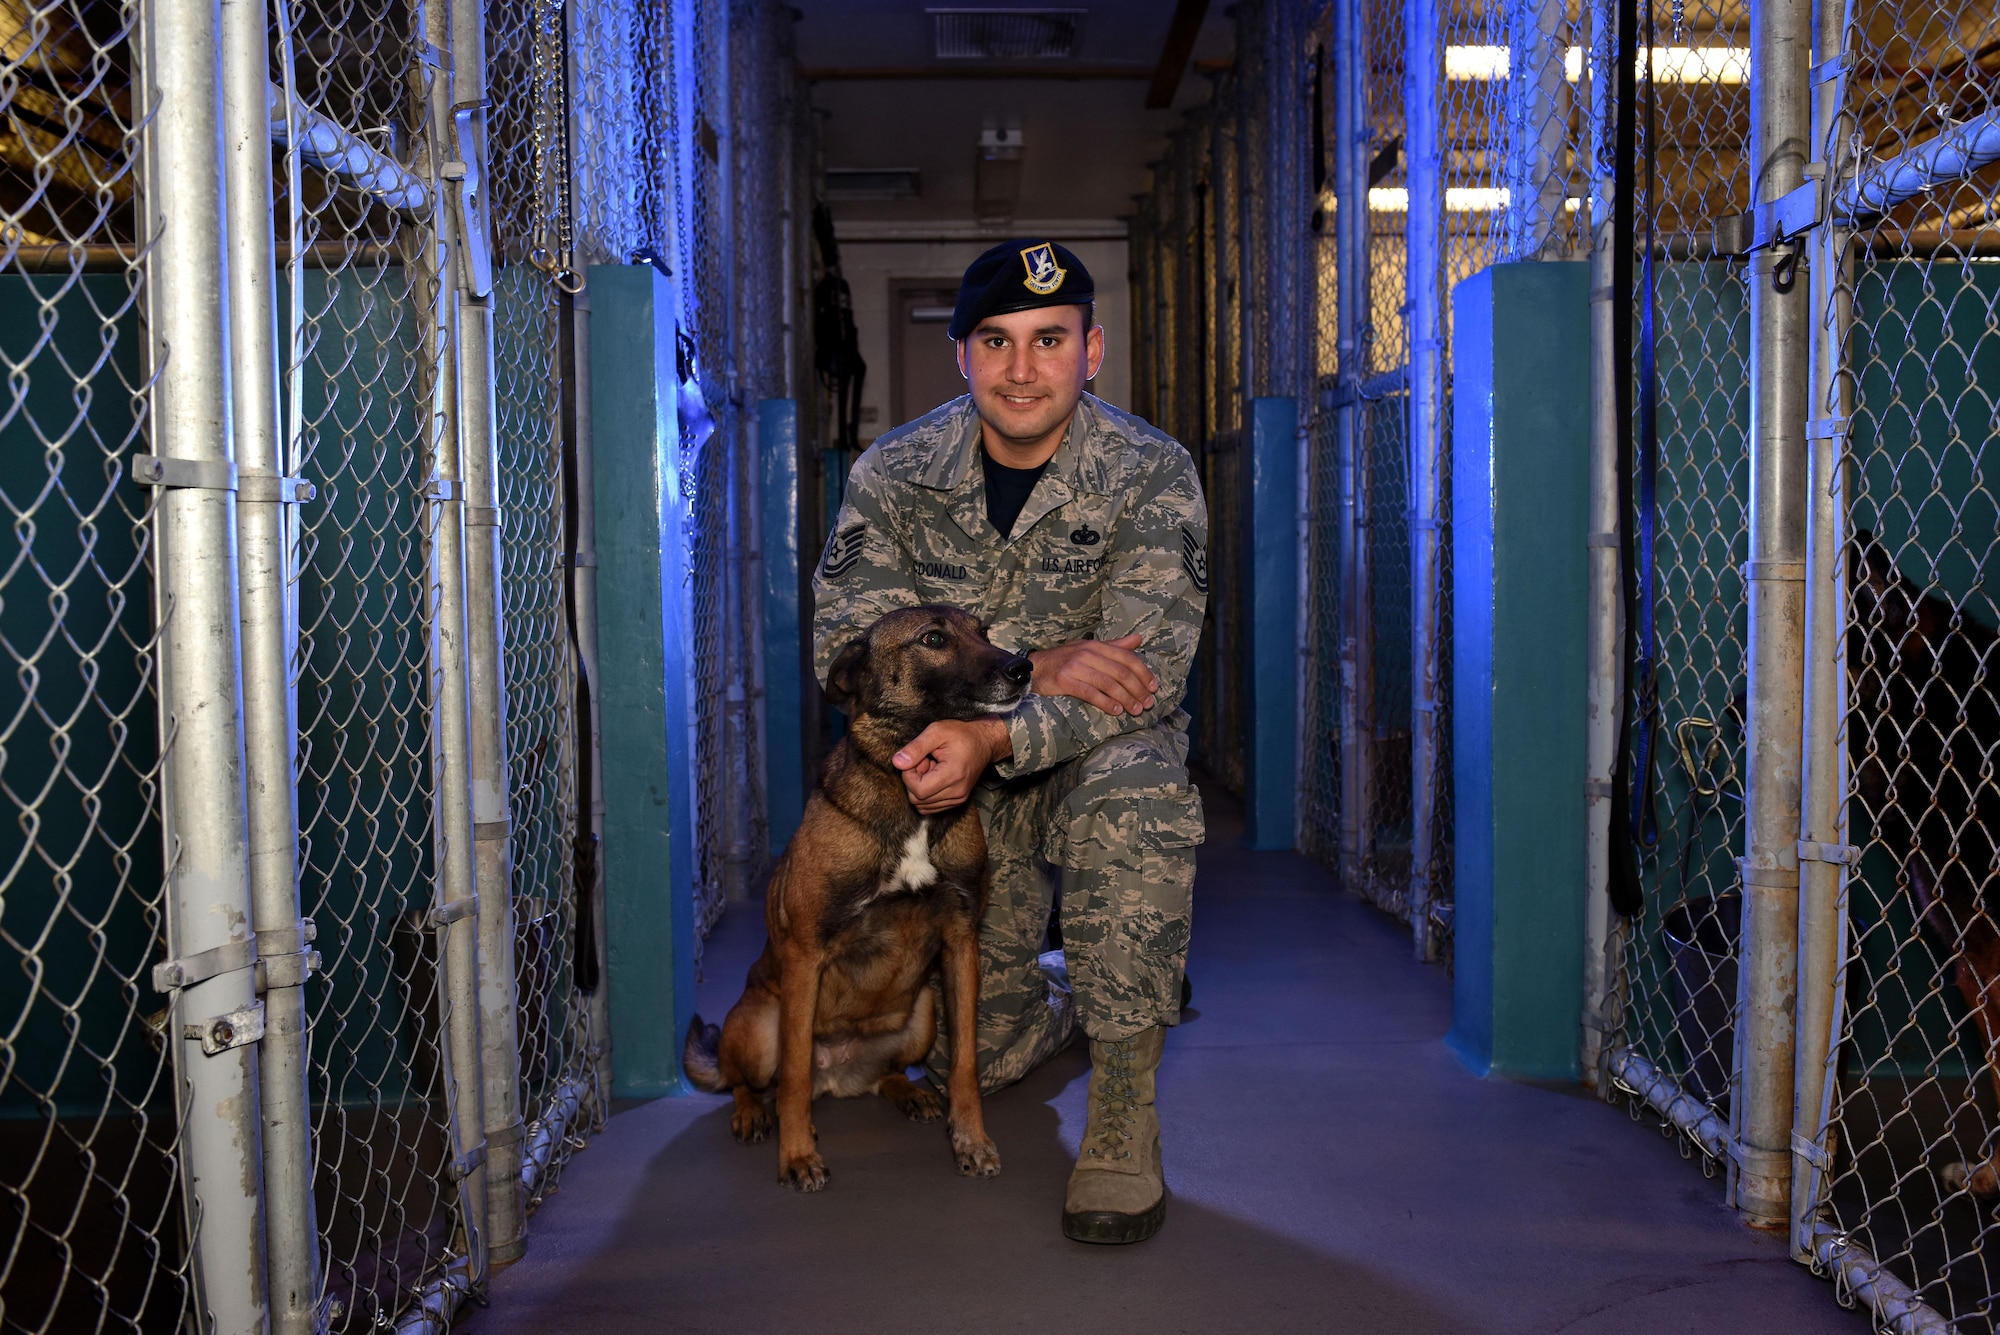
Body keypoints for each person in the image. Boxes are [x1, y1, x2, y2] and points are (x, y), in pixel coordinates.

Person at [810, 239, 1208, 1245]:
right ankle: (1065, 997)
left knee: (1140, 789)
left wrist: (993, 729)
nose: (1021, 369)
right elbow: (843, 660)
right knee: (964, 1058)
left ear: (1091, 350)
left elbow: (1140, 676)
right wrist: (1044, 653)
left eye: (1048, 340)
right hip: (949, 792)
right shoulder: (894, 474)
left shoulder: (1148, 472)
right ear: (961, 356)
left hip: (1085, 762)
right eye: (995, 341)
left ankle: (1122, 1110)